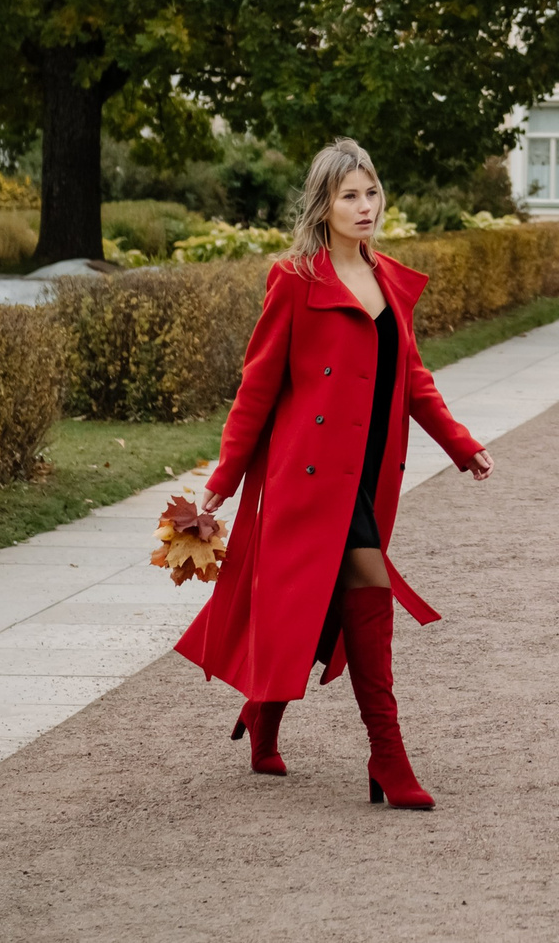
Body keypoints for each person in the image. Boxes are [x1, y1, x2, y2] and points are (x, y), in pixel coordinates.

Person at [174, 139, 493, 808]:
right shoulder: (294, 280)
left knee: (318, 603)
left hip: (367, 476)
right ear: (323, 205)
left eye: (371, 192)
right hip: (311, 479)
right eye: (350, 195)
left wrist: (460, 444)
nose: (365, 205)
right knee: (367, 595)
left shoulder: (391, 282)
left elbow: (413, 378)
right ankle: (388, 756)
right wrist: (222, 480)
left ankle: (263, 712)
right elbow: (257, 389)